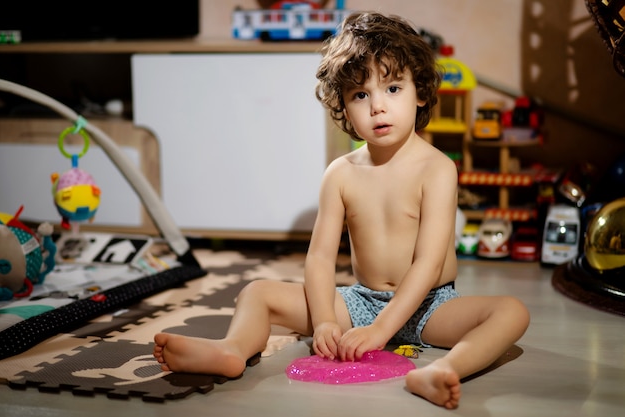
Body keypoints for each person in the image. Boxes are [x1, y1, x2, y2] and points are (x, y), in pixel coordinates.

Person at [153, 11, 530, 409]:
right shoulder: (340, 173)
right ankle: (232, 350)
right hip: (359, 302)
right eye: (360, 95)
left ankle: (444, 369)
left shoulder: (437, 169)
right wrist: (326, 322)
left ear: (420, 92)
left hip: (428, 305)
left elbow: (429, 263)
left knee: (510, 311)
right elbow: (318, 257)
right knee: (257, 292)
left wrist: (383, 330)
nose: (377, 107)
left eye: (393, 88)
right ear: (344, 108)